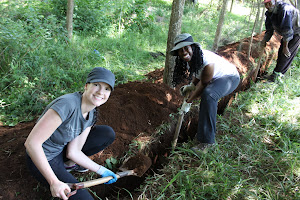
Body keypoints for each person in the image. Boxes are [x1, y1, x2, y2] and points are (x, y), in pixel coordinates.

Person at [25, 67, 118, 200]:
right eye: (96, 85)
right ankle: (60, 171)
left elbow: (73, 151)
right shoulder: (67, 104)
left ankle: (68, 165)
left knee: (107, 133)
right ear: (86, 86)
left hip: (61, 151)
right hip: (44, 157)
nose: (100, 92)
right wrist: (54, 182)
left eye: (106, 89)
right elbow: (31, 143)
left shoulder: (91, 113)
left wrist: (101, 170)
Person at [170, 33, 240, 152]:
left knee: (209, 95)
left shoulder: (207, 60)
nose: (184, 52)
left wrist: (189, 101)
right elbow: (198, 73)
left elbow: (204, 83)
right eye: (180, 50)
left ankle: (206, 142)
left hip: (230, 77)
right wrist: (192, 85)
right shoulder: (191, 58)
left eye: (186, 48)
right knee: (207, 93)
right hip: (216, 77)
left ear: (193, 47)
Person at [261, 0, 300, 82]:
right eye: (266, 4)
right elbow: (269, 29)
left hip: (296, 32)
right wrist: (264, 41)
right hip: (288, 31)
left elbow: (287, 30)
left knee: (285, 54)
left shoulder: (284, 9)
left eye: (269, 3)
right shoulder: (269, 13)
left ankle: (276, 78)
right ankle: (275, 74)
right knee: (280, 53)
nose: (268, 6)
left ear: (274, 2)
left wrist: (285, 47)